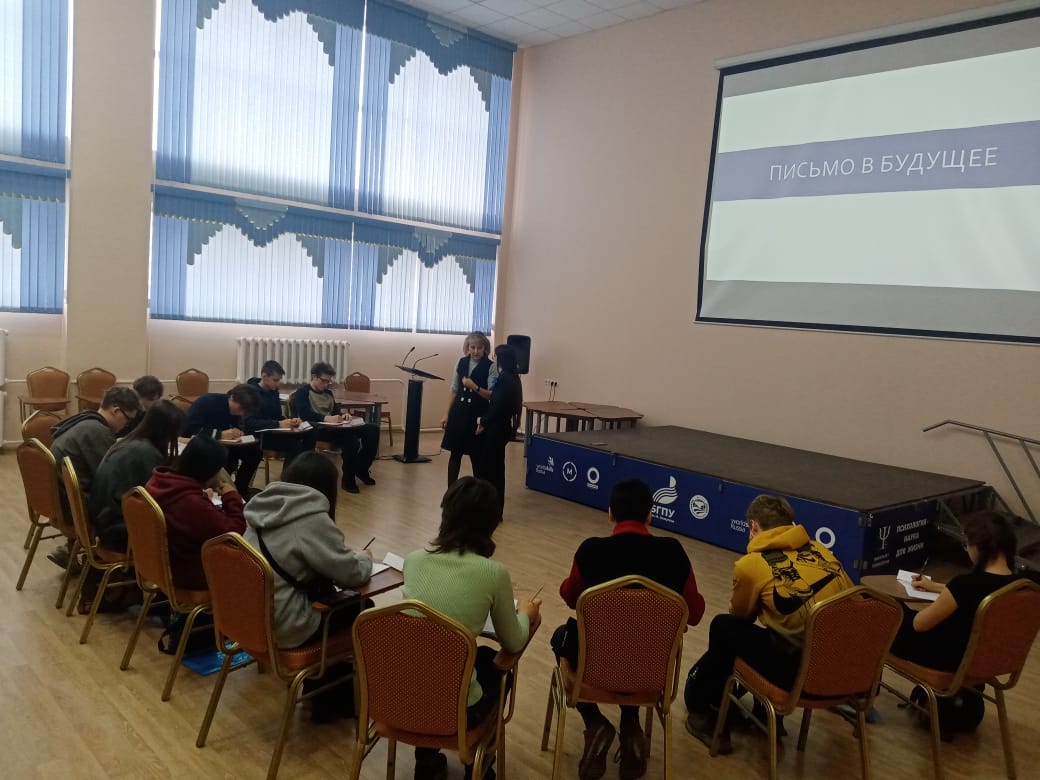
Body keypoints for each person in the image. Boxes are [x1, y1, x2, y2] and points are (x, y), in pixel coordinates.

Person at [553, 479, 706, 780]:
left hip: (595, 668)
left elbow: (571, 597)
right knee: (637, 647)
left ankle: (594, 721)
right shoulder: (673, 552)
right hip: (652, 671)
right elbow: (696, 613)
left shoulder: (591, 551)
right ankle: (631, 724)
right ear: (650, 515)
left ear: (610, 513)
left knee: (561, 637)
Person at [683, 494, 853, 753]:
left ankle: (708, 713)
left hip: (798, 674)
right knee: (778, 632)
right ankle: (764, 712)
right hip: (844, 670)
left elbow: (741, 617)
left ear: (753, 527)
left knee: (723, 626)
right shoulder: (822, 551)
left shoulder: (752, 564)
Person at [402, 477, 540, 780]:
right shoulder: (493, 573)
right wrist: (526, 615)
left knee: (430, 657)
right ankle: (478, 766)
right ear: (490, 524)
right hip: (457, 710)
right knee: (497, 669)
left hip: (401, 696)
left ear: (446, 514)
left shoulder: (412, 561)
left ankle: (425, 763)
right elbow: (513, 641)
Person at [243, 451, 373, 722]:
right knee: (362, 608)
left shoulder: (262, 507)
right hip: (285, 625)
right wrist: (365, 558)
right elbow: (352, 574)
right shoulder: (310, 518)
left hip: (250, 618)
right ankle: (331, 701)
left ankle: (324, 691)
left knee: (332, 600)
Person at [891, 511, 1037, 670]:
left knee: (887, 608)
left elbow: (919, 625)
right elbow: (977, 593)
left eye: (967, 544)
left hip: (946, 658)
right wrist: (934, 586)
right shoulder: (1025, 585)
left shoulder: (965, 585)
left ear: (977, 547)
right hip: (987, 660)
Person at [47, 386, 143, 569]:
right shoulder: (96, 432)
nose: (127, 425)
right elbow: (109, 478)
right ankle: (123, 565)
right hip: (72, 508)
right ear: (116, 410)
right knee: (132, 507)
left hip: (60, 499)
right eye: (128, 419)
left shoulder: (85, 421)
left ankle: (73, 550)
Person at [145, 435, 245, 591]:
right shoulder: (192, 503)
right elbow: (234, 533)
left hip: (161, 563)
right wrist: (232, 497)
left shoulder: (158, 481)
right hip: (190, 572)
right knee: (255, 563)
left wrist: (203, 498)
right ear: (209, 470)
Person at [89, 399, 186, 552]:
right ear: (165, 431)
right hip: (117, 530)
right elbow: (158, 500)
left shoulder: (129, 441)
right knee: (185, 530)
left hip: (104, 521)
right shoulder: (145, 453)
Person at [292, 361, 379, 494]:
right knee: (351, 439)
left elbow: (336, 412)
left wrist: (344, 416)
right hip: (318, 430)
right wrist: (326, 418)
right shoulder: (302, 392)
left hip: (335, 427)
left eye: (329, 381)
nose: (326, 384)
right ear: (314, 377)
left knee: (372, 429)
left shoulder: (328, 393)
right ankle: (348, 479)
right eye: (324, 381)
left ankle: (361, 468)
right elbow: (305, 414)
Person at [183, 383, 262, 496]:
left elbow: (237, 425)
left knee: (255, 452)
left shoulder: (235, 409)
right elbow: (190, 430)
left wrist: (238, 432)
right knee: (226, 457)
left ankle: (241, 488)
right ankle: (222, 490)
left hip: (228, 444)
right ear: (232, 398)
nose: (242, 413)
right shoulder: (207, 402)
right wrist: (220, 434)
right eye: (241, 408)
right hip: (203, 445)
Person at [441, 332, 497, 487]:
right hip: (459, 413)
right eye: (473, 347)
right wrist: (446, 414)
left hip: (477, 415)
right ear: (468, 347)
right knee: (455, 454)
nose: (476, 351)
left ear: (485, 348)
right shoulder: (461, 362)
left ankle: (479, 493)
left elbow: (491, 395)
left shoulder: (491, 366)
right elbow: (454, 389)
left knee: (477, 457)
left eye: (479, 348)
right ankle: (451, 492)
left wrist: (474, 387)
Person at [472, 344, 522, 514]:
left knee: (489, 471)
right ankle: (495, 510)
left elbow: (498, 406)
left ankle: (488, 509)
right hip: (502, 428)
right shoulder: (513, 377)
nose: (494, 359)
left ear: (502, 359)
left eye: (496, 356)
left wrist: (482, 420)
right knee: (496, 470)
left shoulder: (505, 379)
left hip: (496, 429)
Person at [243, 360, 310, 468]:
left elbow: (277, 417)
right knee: (295, 445)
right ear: (264, 376)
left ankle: (305, 473)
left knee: (309, 433)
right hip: (259, 436)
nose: (278, 383)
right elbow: (249, 422)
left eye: (279, 380)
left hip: (273, 431)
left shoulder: (273, 392)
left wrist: (290, 421)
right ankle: (289, 476)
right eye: (275, 380)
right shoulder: (250, 393)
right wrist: (278, 424)